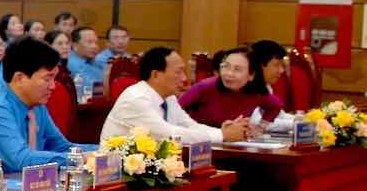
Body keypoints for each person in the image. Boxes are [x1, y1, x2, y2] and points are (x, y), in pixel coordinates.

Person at [0, 37, 88, 183]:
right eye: (47, 79)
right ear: (20, 78)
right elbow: (21, 160)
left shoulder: (37, 105)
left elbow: (62, 147)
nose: (53, 86)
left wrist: (99, 152)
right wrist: (80, 158)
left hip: (23, 186)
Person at [101, 46, 245, 147]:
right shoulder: (136, 99)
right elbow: (170, 134)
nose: (184, 78)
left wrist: (222, 132)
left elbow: (190, 126)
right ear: (156, 74)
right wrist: (223, 135)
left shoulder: (168, 97)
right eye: (178, 72)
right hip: (115, 173)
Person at [179, 46, 285, 125]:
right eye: (226, 67)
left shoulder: (256, 91)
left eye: (237, 69)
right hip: (201, 143)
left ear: (251, 75)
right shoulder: (206, 86)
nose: (229, 74)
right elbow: (175, 109)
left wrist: (261, 128)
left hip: (234, 144)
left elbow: (275, 107)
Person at [66, 26, 105, 92]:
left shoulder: (95, 61)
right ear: (75, 46)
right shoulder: (72, 64)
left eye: (96, 43)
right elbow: (93, 91)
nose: (95, 46)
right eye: (89, 42)